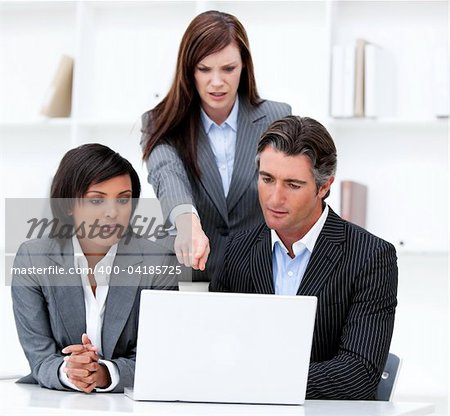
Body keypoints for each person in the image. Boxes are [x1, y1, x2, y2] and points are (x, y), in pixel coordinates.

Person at [210, 116, 398, 399]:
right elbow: (212, 349)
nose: (274, 199)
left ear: (324, 187)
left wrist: (266, 381)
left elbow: (358, 373)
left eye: (293, 185)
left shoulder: (370, 257)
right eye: (267, 179)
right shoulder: (235, 249)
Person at [11, 144, 179, 393]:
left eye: (123, 199)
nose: (113, 212)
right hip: (54, 403)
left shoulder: (159, 262)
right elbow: (39, 356)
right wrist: (69, 371)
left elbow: (157, 356)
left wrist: (104, 373)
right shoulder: (33, 258)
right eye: (96, 199)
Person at [141, 10, 291, 284]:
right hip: (188, 277)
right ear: (189, 70)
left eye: (228, 68)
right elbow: (167, 174)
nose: (217, 82)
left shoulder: (277, 118)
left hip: (258, 277)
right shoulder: (160, 122)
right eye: (204, 69)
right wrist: (187, 223)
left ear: (244, 66)